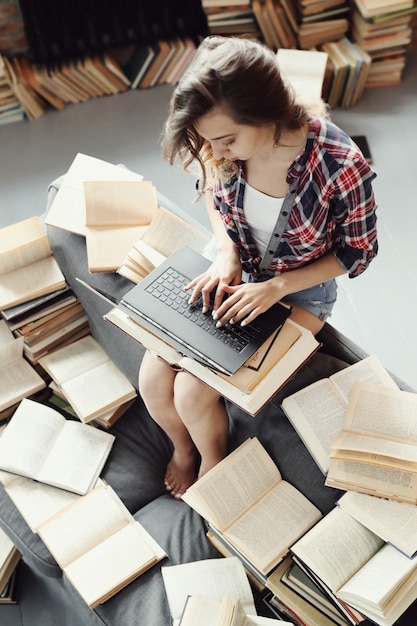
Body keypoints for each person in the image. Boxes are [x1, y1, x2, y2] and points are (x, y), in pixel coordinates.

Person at [138, 36, 378, 499]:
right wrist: (227, 250)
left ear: (266, 114)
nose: (220, 151)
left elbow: (357, 252)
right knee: (153, 380)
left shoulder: (339, 164)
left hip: (299, 291)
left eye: (227, 140)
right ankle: (182, 448)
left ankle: (212, 457)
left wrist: (275, 287)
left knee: (191, 392)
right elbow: (211, 187)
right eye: (212, 142)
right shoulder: (219, 144)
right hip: (230, 266)